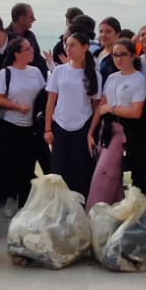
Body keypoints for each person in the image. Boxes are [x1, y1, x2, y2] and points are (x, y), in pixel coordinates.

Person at [0, 37, 49, 213]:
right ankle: (10, 197)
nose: (32, 51)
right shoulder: (5, 73)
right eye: (27, 49)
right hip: (10, 125)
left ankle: (25, 202)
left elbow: (45, 93)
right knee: (10, 164)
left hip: (32, 126)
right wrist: (17, 107)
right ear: (17, 54)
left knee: (28, 165)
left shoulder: (35, 71)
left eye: (31, 48)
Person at [87, 39, 146, 206]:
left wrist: (111, 109)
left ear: (132, 56)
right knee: (112, 177)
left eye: (123, 55)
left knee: (104, 174)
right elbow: (101, 106)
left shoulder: (138, 79)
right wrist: (90, 132)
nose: (119, 59)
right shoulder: (112, 78)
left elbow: (136, 112)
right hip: (106, 130)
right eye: (115, 55)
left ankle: (95, 210)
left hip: (125, 132)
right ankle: (114, 211)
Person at [46, 31, 102, 197]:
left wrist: (91, 132)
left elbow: (96, 107)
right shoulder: (59, 71)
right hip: (60, 125)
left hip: (83, 125)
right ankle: (59, 203)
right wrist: (47, 128)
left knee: (80, 169)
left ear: (85, 47)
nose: (68, 49)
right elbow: (51, 101)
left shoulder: (94, 74)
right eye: (67, 45)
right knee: (58, 169)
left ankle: (80, 204)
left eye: (72, 45)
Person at [8, 2, 49, 72]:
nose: (34, 19)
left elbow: (38, 60)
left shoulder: (31, 35)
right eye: (31, 17)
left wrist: (51, 64)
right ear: (21, 18)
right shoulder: (4, 38)